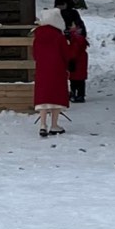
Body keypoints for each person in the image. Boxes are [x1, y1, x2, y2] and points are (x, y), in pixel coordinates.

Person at [31, 9, 72, 137]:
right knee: (56, 97)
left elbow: (35, 54)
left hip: (42, 69)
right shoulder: (59, 37)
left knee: (43, 97)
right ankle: (54, 125)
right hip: (57, 69)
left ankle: (43, 124)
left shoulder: (38, 37)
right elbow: (67, 54)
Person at [56, 0, 90, 104]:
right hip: (73, 50)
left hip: (73, 51)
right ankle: (76, 93)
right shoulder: (62, 14)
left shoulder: (70, 15)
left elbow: (79, 31)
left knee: (75, 75)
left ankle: (77, 94)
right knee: (75, 76)